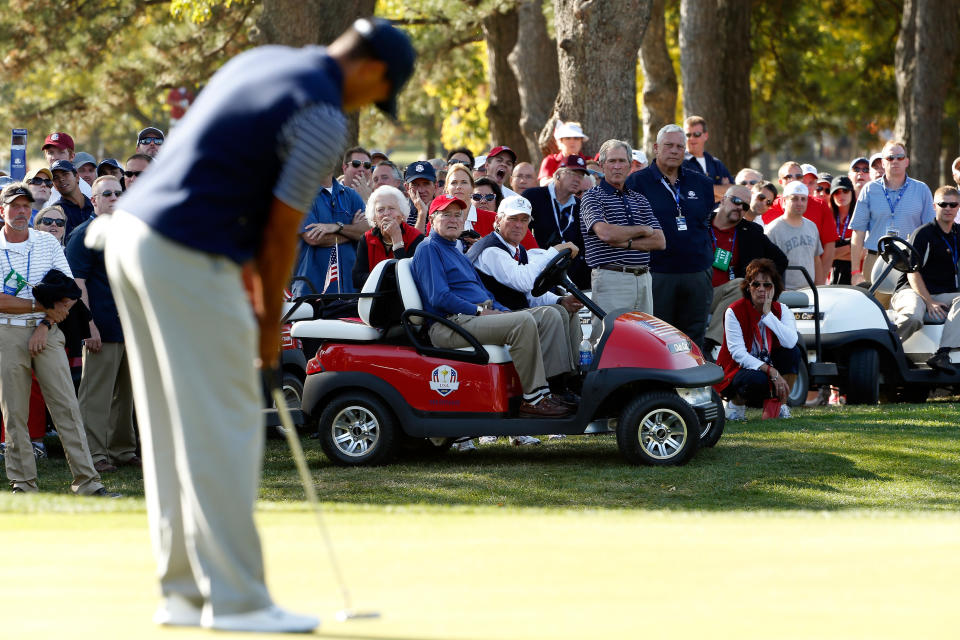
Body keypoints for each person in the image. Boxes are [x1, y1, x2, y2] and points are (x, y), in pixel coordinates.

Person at [97, 18, 414, 632]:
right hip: (186, 251)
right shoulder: (322, 115)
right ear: (371, 69)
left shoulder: (262, 61)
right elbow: (279, 237)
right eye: (375, 95)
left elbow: (224, 179)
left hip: (130, 239)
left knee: (169, 426)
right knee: (227, 422)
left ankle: (183, 595)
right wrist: (270, 337)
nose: (365, 107)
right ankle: (238, 600)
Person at [411, 194, 573, 418]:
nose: (453, 220)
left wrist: (502, 311)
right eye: (446, 215)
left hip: (472, 317)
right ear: (432, 218)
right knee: (523, 321)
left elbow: (484, 293)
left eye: (458, 215)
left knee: (550, 314)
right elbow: (439, 297)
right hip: (449, 323)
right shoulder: (429, 248)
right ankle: (533, 399)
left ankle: (552, 390)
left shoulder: (455, 250)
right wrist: (479, 311)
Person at [0, 183, 112, 496]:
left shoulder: (46, 244)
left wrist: (44, 324)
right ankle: (23, 483)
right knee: (14, 411)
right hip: (6, 331)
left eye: (25, 206)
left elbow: (69, 294)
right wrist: (39, 306)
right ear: (2, 211)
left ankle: (88, 483)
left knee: (66, 406)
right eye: (14, 206)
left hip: (48, 330)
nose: (21, 211)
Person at [467, 195, 583, 446]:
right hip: (492, 318)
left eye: (524, 220)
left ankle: (571, 381)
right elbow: (523, 281)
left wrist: (561, 300)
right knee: (551, 315)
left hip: (512, 316)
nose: (519, 225)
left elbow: (529, 296)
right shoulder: (490, 251)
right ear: (498, 221)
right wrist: (553, 252)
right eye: (512, 220)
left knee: (564, 310)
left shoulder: (516, 250)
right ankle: (550, 390)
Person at [66, 175, 138, 474]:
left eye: (117, 192)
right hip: (102, 327)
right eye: (105, 193)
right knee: (96, 396)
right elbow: (77, 282)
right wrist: (90, 326)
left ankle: (123, 450)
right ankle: (94, 454)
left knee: (127, 395)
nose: (113, 197)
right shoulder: (84, 234)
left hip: (131, 328)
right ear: (93, 199)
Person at [627, 124, 714, 349]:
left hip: (697, 272)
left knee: (694, 337)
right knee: (659, 336)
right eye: (669, 145)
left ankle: (693, 383)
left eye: (679, 147)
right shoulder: (637, 183)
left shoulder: (701, 183)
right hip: (658, 272)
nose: (674, 151)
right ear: (656, 148)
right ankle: (661, 384)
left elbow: (705, 221)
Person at [579, 139, 665, 339]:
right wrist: (643, 229)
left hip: (643, 278)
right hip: (612, 278)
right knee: (609, 340)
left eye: (622, 161)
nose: (617, 166)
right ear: (602, 165)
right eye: (611, 161)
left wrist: (624, 241)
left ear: (629, 165)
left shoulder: (640, 199)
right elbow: (605, 234)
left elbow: (660, 241)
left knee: (645, 340)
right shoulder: (592, 197)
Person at [704, 185, 788, 352]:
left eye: (745, 206)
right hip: (695, 290)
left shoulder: (751, 232)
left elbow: (781, 260)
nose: (739, 208)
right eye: (736, 201)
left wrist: (761, 283)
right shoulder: (699, 223)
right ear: (723, 200)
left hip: (726, 294)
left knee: (742, 284)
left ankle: (710, 342)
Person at [714, 258, 799, 420]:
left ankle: (780, 404)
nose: (761, 289)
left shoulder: (782, 310)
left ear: (775, 288)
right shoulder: (734, 311)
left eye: (767, 285)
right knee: (756, 378)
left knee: (792, 353)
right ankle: (735, 405)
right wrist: (770, 370)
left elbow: (790, 342)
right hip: (737, 369)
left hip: (768, 361)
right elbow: (737, 353)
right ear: (748, 287)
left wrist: (768, 314)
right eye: (756, 284)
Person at [889, 186, 960, 373]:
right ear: (934, 205)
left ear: (958, 207)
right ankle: (886, 351)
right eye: (943, 204)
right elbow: (912, 272)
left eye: (953, 204)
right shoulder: (922, 234)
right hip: (912, 289)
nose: (948, 208)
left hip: (942, 292)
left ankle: (942, 354)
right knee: (913, 316)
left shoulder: (958, 233)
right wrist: (929, 301)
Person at [850, 140, 936, 286]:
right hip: (875, 258)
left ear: (907, 161)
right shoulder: (869, 190)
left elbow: (931, 232)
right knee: (875, 307)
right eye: (890, 158)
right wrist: (854, 271)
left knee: (905, 305)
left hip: (910, 260)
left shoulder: (922, 189)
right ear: (883, 163)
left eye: (900, 157)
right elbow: (858, 232)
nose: (895, 161)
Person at [291, 173, 367, 297]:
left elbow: (367, 232)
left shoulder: (351, 194)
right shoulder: (301, 196)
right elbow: (313, 238)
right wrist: (353, 232)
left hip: (351, 289)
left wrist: (337, 227)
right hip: (312, 291)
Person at [761, 161, 837, 283]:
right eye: (788, 176)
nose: (799, 203)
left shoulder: (814, 220)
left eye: (798, 176)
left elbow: (821, 253)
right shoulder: (770, 216)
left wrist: (819, 285)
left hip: (810, 288)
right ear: (780, 181)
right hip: (782, 290)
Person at [523, 154, 590, 289]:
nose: (577, 179)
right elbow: (521, 233)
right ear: (558, 174)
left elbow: (583, 245)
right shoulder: (532, 197)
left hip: (571, 278)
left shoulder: (580, 206)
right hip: (537, 272)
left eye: (581, 175)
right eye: (573, 173)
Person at [351, 185, 423, 289]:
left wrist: (397, 241)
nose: (386, 214)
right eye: (380, 210)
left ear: (402, 214)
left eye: (391, 208)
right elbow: (357, 279)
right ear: (374, 217)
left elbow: (408, 278)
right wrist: (389, 279)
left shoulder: (417, 238)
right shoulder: (366, 239)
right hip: (372, 301)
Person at [765, 181, 824, 289]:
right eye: (794, 198)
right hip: (784, 293)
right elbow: (766, 269)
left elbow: (817, 260)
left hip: (810, 292)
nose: (800, 203)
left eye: (803, 199)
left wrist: (819, 290)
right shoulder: (772, 230)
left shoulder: (812, 227)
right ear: (784, 201)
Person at [681, 115, 732, 202]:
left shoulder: (716, 163)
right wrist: (722, 192)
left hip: (718, 215)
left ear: (706, 136)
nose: (692, 138)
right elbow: (691, 194)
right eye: (688, 135)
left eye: (697, 134)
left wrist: (703, 190)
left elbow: (733, 191)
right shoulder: (679, 163)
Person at [40, 132, 93, 205]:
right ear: (45, 156)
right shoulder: (38, 183)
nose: (55, 157)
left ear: (72, 156)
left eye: (61, 152)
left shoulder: (83, 189)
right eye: (50, 152)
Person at [50, 160, 95, 237]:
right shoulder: (56, 211)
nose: (61, 179)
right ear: (54, 185)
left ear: (77, 177)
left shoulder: (94, 203)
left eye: (65, 174)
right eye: (56, 177)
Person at [828, 176, 856, 284]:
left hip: (856, 276)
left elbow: (863, 254)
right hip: (831, 278)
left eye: (845, 191)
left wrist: (834, 254)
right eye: (837, 192)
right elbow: (823, 256)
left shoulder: (860, 215)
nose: (841, 195)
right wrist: (852, 246)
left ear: (852, 193)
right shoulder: (827, 217)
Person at [403, 160, 436, 231]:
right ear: (406, 187)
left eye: (426, 184)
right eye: (415, 184)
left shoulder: (444, 210)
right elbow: (416, 242)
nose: (421, 190)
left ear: (435, 186)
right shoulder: (401, 214)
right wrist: (422, 213)